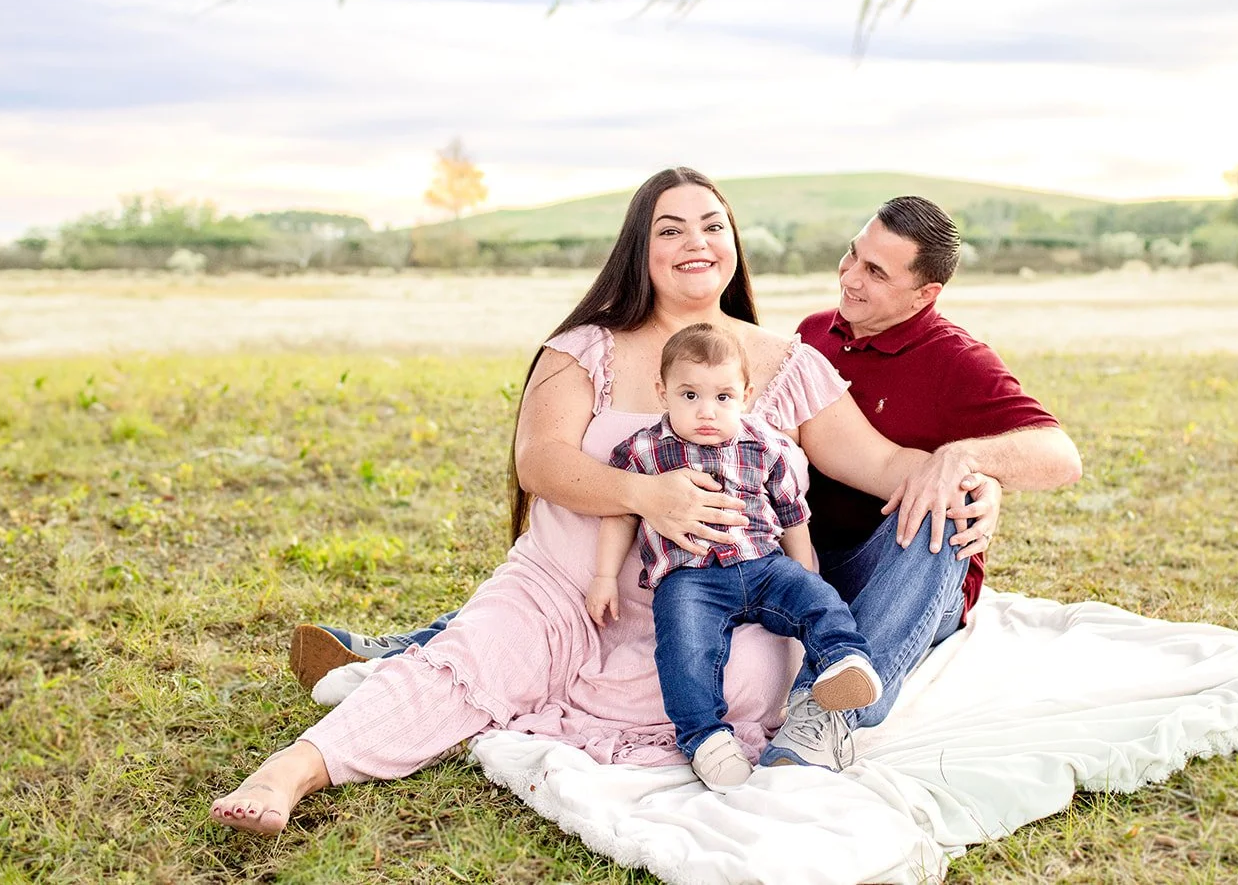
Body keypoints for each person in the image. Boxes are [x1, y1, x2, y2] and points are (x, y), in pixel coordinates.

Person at [210, 167, 995, 834]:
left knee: (749, 680)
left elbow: (889, 463)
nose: (696, 242)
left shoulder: (785, 363)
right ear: (639, 249)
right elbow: (540, 458)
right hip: (569, 585)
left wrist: (968, 472)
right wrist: (645, 494)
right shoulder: (585, 345)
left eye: (713, 225)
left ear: (733, 244)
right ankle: (292, 770)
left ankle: (732, 724)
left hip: (714, 600)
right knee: (470, 662)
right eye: (671, 229)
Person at [589, 322, 882, 790]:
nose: (707, 411)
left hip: (764, 564)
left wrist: (804, 566)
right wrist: (604, 576)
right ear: (662, 392)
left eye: (723, 397)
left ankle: (843, 659)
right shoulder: (644, 450)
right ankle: (704, 737)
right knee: (683, 647)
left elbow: (792, 514)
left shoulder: (765, 446)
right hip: (690, 578)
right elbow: (620, 514)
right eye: (690, 396)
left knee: (819, 599)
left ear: (745, 393)